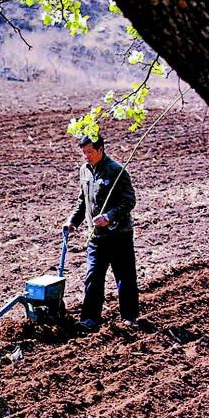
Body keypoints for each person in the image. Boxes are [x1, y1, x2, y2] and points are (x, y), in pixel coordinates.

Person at [64, 134, 140, 331]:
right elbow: (83, 202)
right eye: (83, 153)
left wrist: (109, 217)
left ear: (100, 150)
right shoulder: (84, 171)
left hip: (119, 235)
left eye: (89, 152)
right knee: (93, 276)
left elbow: (129, 201)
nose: (86, 156)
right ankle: (90, 319)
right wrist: (72, 222)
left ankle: (130, 317)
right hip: (96, 237)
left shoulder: (117, 171)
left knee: (124, 277)